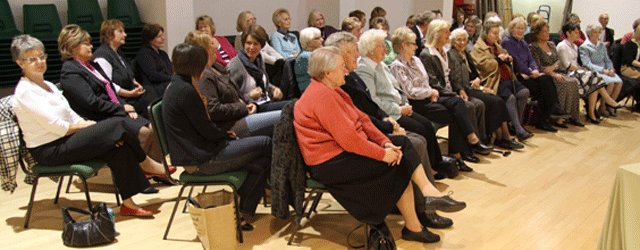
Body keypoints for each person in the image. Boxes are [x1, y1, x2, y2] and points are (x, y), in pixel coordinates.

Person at [294, 46, 465, 244]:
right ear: (327, 72)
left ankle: (425, 199)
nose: (347, 70)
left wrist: (384, 142)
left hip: (343, 152)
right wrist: (382, 154)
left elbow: (364, 120)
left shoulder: (334, 91)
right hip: (330, 163)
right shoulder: (322, 96)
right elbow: (350, 140)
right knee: (399, 162)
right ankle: (415, 223)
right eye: (342, 67)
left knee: (401, 145)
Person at [12, 34, 156, 217]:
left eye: (42, 56)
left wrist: (90, 127)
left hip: (66, 139)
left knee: (117, 146)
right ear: (20, 63)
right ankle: (147, 163)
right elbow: (59, 127)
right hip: (49, 149)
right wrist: (92, 128)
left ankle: (129, 204)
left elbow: (70, 113)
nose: (39, 61)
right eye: (32, 59)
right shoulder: (25, 92)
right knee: (118, 124)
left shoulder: (48, 85)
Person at [327, 34, 459, 229]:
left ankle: (424, 203)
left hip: (378, 125)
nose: (357, 54)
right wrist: (387, 129)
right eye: (351, 51)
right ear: (337, 56)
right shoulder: (340, 82)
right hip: (359, 143)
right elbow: (357, 123)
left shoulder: (350, 76)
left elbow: (367, 110)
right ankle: (424, 208)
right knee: (414, 142)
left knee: (417, 138)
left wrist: (387, 121)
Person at [163, 43, 271, 230]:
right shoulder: (186, 91)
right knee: (266, 143)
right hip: (201, 159)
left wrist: (224, 135)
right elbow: (205, 128)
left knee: (261, 161)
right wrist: (226, 136)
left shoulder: (177, 85)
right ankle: (280, 194)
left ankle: (240, 212)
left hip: (200, 152)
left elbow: (203, 127)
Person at [358, 29, 482, 172]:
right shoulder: (366, 69)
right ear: (371, 48)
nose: (386, 49)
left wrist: (405, 103)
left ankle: (440, 162)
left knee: (431, 122)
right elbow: (374, 101)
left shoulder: (381, 65)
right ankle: (435, 165)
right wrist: (400, 108)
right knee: (423, 128)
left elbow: (398, 90)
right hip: (390, 113)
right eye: (382, 45)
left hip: (404, 105)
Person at [58, 25, 168, 181]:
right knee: (144, 132)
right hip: (98, 117)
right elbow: (90, 102)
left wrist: (123, 105)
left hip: (112, 110)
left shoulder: (92, 65)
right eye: (86, 44)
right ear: (73, 47)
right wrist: (121, 107)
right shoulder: (70, 70)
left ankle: (154, 171)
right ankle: (132, 178)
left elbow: (109, 89)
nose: (91, 47)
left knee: (154, 127)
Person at [185, 31, 281, 138]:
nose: (216, 47)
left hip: (244, 114)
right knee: (285, 116)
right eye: (211, 44)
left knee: (289, 112)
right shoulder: (203, 75)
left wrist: (249, 104)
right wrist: (243, 107)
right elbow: (213, 110)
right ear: (202, 50)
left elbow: (238, 94)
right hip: (233, 125)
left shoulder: (217, 67)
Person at [419, 20, 491, 154]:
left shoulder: (445, 52)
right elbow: (433, 83)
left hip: (451, 94)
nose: (449, 34)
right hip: (438, 95)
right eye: (446, 32)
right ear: (436, 34)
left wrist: (460, 90)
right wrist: (453, 95)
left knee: (471, 104)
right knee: (465, 106)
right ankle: (469, 145)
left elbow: (453, 76)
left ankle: (466, 149)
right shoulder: (426, 55)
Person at [449, 28, 524, 148]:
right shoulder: (452, 55)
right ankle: (500, 137)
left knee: (496, 98)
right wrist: (479, 88)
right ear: (453, 42)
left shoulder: (466, 53)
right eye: (459, 40)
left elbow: (474, 73)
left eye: (464, 40)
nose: (462, 43)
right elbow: (455, 78)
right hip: (465, 89)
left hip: (474, 86)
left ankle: (505, 136)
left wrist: (479, 81)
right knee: (494, 101)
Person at [471, 20, 533, 141]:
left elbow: (506, 55)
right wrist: (498, 60)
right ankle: (518, 128)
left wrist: (508, 58)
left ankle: (517, 124)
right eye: (494, 33)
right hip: (494, 80)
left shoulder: (497, 46)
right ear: (486, 33)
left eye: (497, 33)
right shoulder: (478, 48)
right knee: (510, 98)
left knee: (524, 92)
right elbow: (483, 65)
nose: (497, 36)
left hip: (508, 77)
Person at [502, 17, 566, 131]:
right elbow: (517, 62)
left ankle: (545, 117)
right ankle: (550, 111)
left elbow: (531, 60)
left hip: (531, 75)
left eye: (522, 28)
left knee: (545, 82)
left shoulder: (523, 42)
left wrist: (535, 69)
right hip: (518, 77)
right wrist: (530, 72)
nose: (520, 31)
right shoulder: (507, 42)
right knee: (544, 87)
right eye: (518, 28)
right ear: (512, 29)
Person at [557, 23, 621, 124]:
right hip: (566, 73)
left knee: (594, 84)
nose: (578, 34)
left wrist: (610, 68)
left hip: (576, 72)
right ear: (568, 33)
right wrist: (582, 68)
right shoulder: (562, 46)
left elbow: (577, 64)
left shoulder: (574, 46)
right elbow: (567, 65)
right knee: (593, 77)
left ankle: (592, 114)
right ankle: (608, 101)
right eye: (576, 32)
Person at [529, 21, 583, 126]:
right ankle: (557, 118)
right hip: (544, 75)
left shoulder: (551, 44)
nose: (547, 33)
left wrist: (553, 68)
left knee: (574, 82)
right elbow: (538, 66)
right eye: (544, 31)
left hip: (556, 71)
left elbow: (558, 61)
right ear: (537, 34)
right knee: (564, 83)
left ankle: (572, 116)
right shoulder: (533, 47)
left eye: (548, 30)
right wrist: (552, 72)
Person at [92, 19, 147, 117]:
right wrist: (129, 94)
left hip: (131, 97)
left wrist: (134, 82)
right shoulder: (102, 56)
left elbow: (127, 73)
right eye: (121, 31)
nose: (125, 34)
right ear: (109, 35)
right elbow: (107, 86)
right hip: (119, 102)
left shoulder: (118, 53)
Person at [227, 24, 287, 112]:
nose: (251, 47)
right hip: (251, 108)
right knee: (292, 106)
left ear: (261, 46)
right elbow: (230, 97)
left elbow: (264, 82)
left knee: (295, 105)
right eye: (248, 43)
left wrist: (273, 89)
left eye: (255, 44)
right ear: (243, 44)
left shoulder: (259, 58)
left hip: (266, 102)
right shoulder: (235, 65)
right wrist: (249, 96)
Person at [579, 24, 624, 117]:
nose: (598, 34)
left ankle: (609, 106)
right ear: (590, 34)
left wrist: (611, 68)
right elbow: (587, 64)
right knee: (610, 83)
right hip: (594, 71)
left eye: (599, 32)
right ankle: (602, 107)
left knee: (619, 82)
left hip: (605, 69)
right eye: (596, 32)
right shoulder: (584, 46)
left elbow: (607, 59)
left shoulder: (601, 45)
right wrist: (604, 71)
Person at [135, 24, 172, 104]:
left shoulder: (163, 54)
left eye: (163, 35)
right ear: (150, 39)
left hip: (165, 84)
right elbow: (152, 75)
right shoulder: (144, 54)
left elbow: (170, 69)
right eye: (159, 36)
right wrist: (171, 78)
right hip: (153, 88)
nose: (163, 38)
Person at [295, 27, 323, 93]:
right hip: (309, 89)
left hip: (318, 86)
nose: (322, 40)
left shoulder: (315, 53)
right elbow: (321, 74)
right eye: (317, 38)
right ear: (308, 42)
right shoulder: (305, 56)